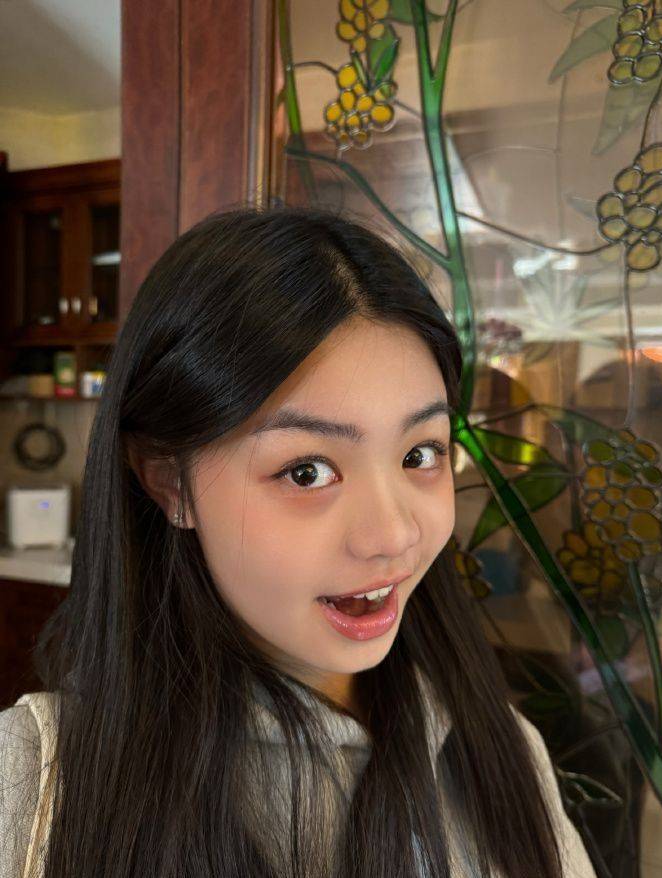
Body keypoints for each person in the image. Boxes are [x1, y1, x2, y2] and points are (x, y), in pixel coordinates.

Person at [0, 205, 597, 878]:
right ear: (170, 483)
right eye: (307, 471)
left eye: (420, 454)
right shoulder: (33, 785)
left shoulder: (500, 750)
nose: (394, 534)